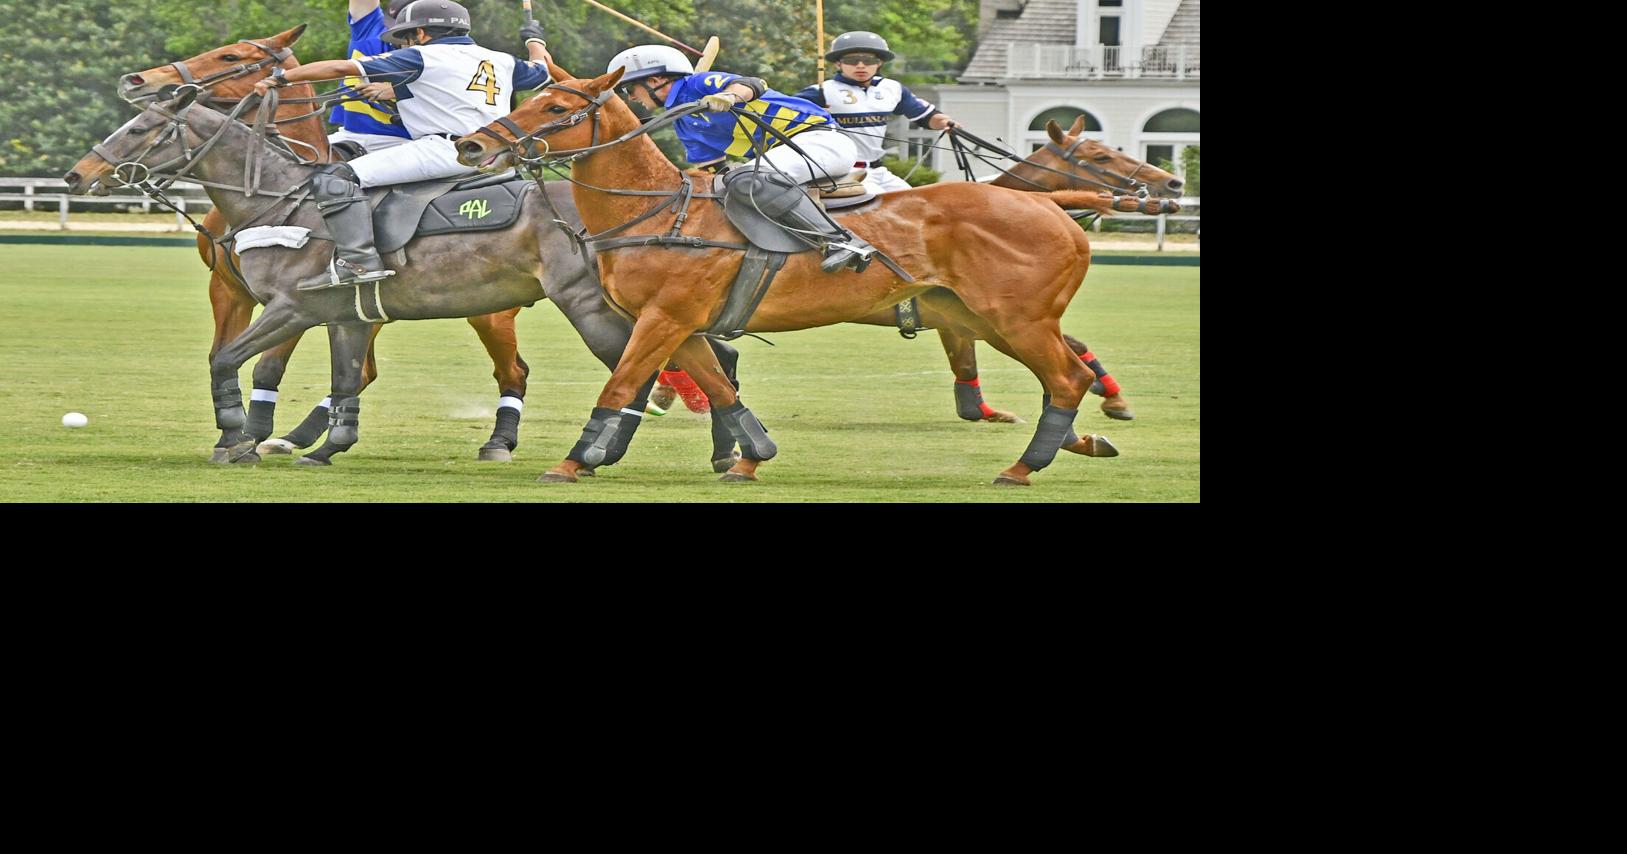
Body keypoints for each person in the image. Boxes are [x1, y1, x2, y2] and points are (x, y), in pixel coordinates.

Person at [253, 1, 555, 289]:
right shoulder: (501, 60)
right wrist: (535, 41)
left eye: (406, 37)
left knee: (335, 178)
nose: (402, 45)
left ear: (421, 34)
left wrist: (281, 77)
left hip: (446, 150)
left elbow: (339, 69)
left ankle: (358, 262)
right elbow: (541, 71)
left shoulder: (422, 56)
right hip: (494, 153)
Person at [606, 44, 879, 273]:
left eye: (629, 89)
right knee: (726, 187)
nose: (630, 98)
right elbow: (713, 170)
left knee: (747, 178)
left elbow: (752, 84)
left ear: (654, 81)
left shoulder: (698, 84)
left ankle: (843, 242)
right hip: (785, 156)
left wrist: (729, 96)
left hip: (820, 141)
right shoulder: (684, 124)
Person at [793, 31, 957, 195]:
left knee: (915, 200)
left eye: (869, 60)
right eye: (851, 60)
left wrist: (945, 123)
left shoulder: (892, 88)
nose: (861, 65)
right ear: (838, 64)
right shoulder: (821, 91)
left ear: (879, 63)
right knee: (879, 204)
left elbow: (927, 116)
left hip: (878, 170)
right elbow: (783, 114)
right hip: (843, 172)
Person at [325, 1, 415, 156]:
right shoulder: (372, 31)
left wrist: (398, 90)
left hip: (409, 142)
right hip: (350, 136)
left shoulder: (444, 53)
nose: (400, 33)